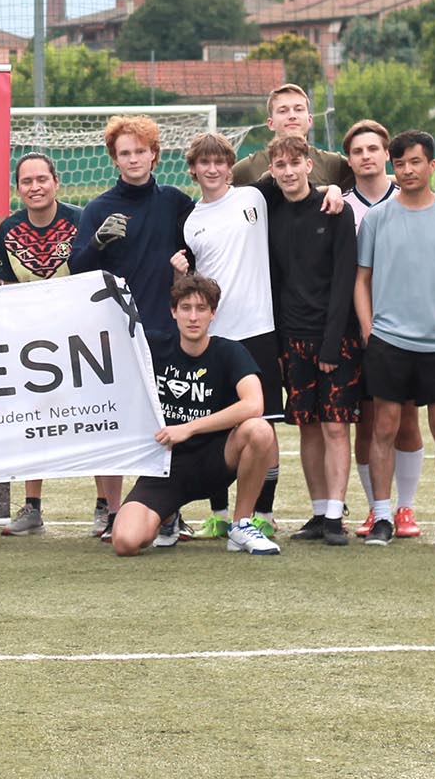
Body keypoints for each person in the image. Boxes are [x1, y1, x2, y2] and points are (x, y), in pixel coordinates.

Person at [354, 130, 435, 547]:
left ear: (432, 166)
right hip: (388, 342)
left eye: (415, 162)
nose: (408, 170)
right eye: (400, 164)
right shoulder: (376, 218)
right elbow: (362, 280)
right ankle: (381, 517)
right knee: (384, 428)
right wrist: (369, 329)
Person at [70, 114, 193, 540]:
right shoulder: (98, 208)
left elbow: (201, 246)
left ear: (155, 154)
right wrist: (97, 243)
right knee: (113, 423)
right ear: (114, 159)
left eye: (141, 151)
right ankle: (111, 511)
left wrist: (185, 265)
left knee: (167, 424)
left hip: (167, 329)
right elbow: (77, 267)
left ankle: (169, 511)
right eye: (125, 153)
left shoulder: (175, 201)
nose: (134, 159)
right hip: (114, 333)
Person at [0, 153, 122, 538]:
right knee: (34, 420)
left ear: (56, 182)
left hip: (85, 338)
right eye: (27, 181)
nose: (35, 187)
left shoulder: (82, 220)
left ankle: (104, 507)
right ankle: (32, 508)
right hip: (34, 343)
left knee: (96, 416)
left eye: (41, 179)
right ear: (18, 188)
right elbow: (3, 285)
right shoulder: (8, 229)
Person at [109, 273, 281, 556]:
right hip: (165, 465)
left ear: (213, 314)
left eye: (201, 309)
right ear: (173, 312)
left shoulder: (230, 351)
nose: (193, 317)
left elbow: (254, 404)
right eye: (185, 308)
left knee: (259, 429)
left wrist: (189, 427)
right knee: (126, 542)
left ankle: (241, 525)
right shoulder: (152, 346)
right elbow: (107, 347)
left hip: (216, 459)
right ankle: (168, 517)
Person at [243, 134, 358, 546]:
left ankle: (335, 516)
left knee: (335, 427)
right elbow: (272, 282)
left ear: (310, 165)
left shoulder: (335, 209)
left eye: (296, 163)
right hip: (291, 340)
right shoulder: (269, 210)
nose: (289, 171)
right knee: (307, 428)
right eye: (280, 165)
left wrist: (331, 342)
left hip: (334, 340)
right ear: (271, 171)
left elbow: (344, 279)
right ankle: (318, 511)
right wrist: (277, 344)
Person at [171, 132, 284, 538]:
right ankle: (219, 513)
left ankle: (263, 514)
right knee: (215, 425)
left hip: (259, 330)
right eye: (204, 162)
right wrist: (178, 273)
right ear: (193, 169)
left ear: (230, 166)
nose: (213, 169)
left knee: (264, 424)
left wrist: (335, 193)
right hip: (215, 336)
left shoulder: (255, 198)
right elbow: (187, 284)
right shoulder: (190, 220)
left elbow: (302, 180)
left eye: (220, 161)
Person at [340, 121, 427, 539]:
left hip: (408, 328)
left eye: (373, 149)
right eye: (358, 151)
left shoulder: (410, 197)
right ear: (349, 160)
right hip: (358, 331)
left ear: (386, 155)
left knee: (406, 419)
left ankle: (405, 508)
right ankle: (376, 509)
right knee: (368, 421)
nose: (366, 157)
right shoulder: (338, 205)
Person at [230, 83, 352, 189]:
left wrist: (333, 190)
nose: (292, 116)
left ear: (310, 120)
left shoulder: (333, 163)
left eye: (298, 109)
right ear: (270, 123)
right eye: (283, 111)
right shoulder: (249, 167)